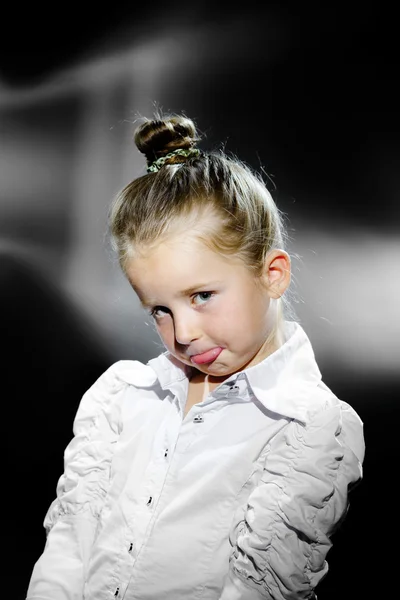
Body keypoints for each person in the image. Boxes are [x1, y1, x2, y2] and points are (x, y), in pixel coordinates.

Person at [26, 112, 365, 600]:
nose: (182, 332)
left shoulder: (309, 428)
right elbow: (68, 548)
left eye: (202, 295)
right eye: (159, 309)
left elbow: (259, 588)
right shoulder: (122, 398)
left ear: (272, 273)